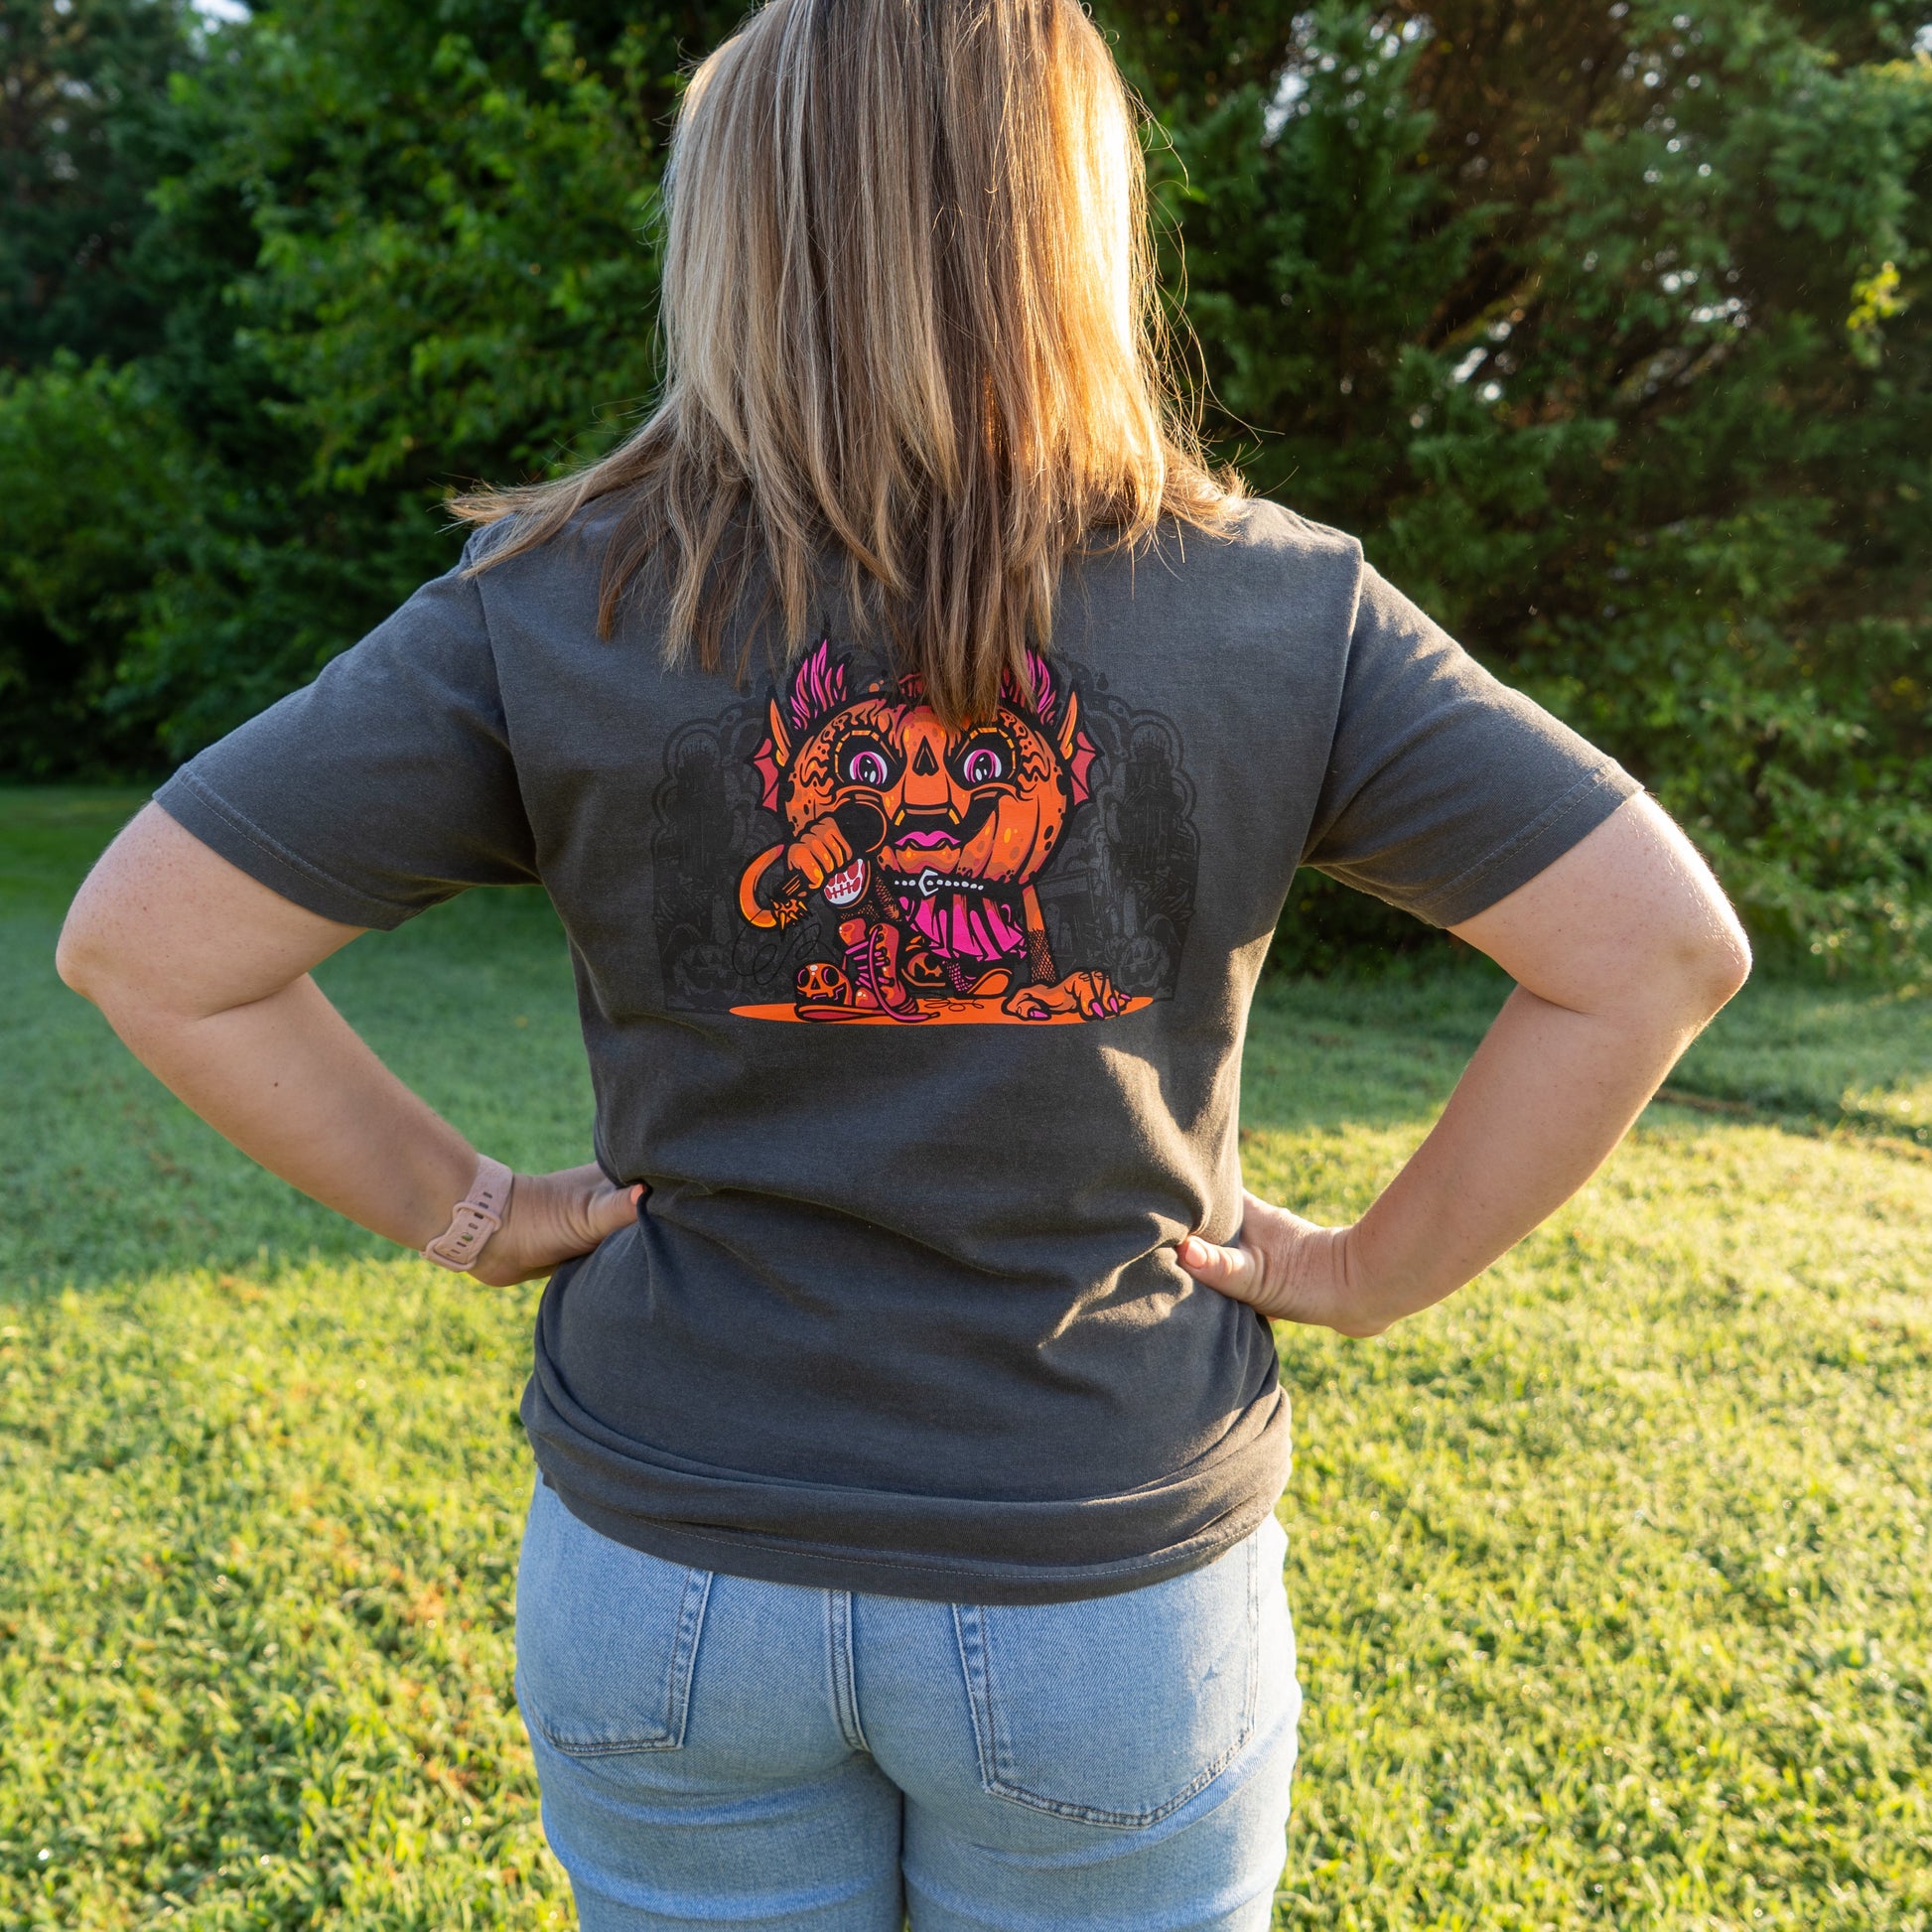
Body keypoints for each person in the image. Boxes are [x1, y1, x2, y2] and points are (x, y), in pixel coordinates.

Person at [55, 0, 1751, 1925]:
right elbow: (1649, 948)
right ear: (1075, 220)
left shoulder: (558, 598)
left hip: (671, 1575)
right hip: (1102, 1575)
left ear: (733, 232)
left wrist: (474, 1210)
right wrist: (1372, 1270)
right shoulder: (1279, 608)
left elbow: (153, 945)